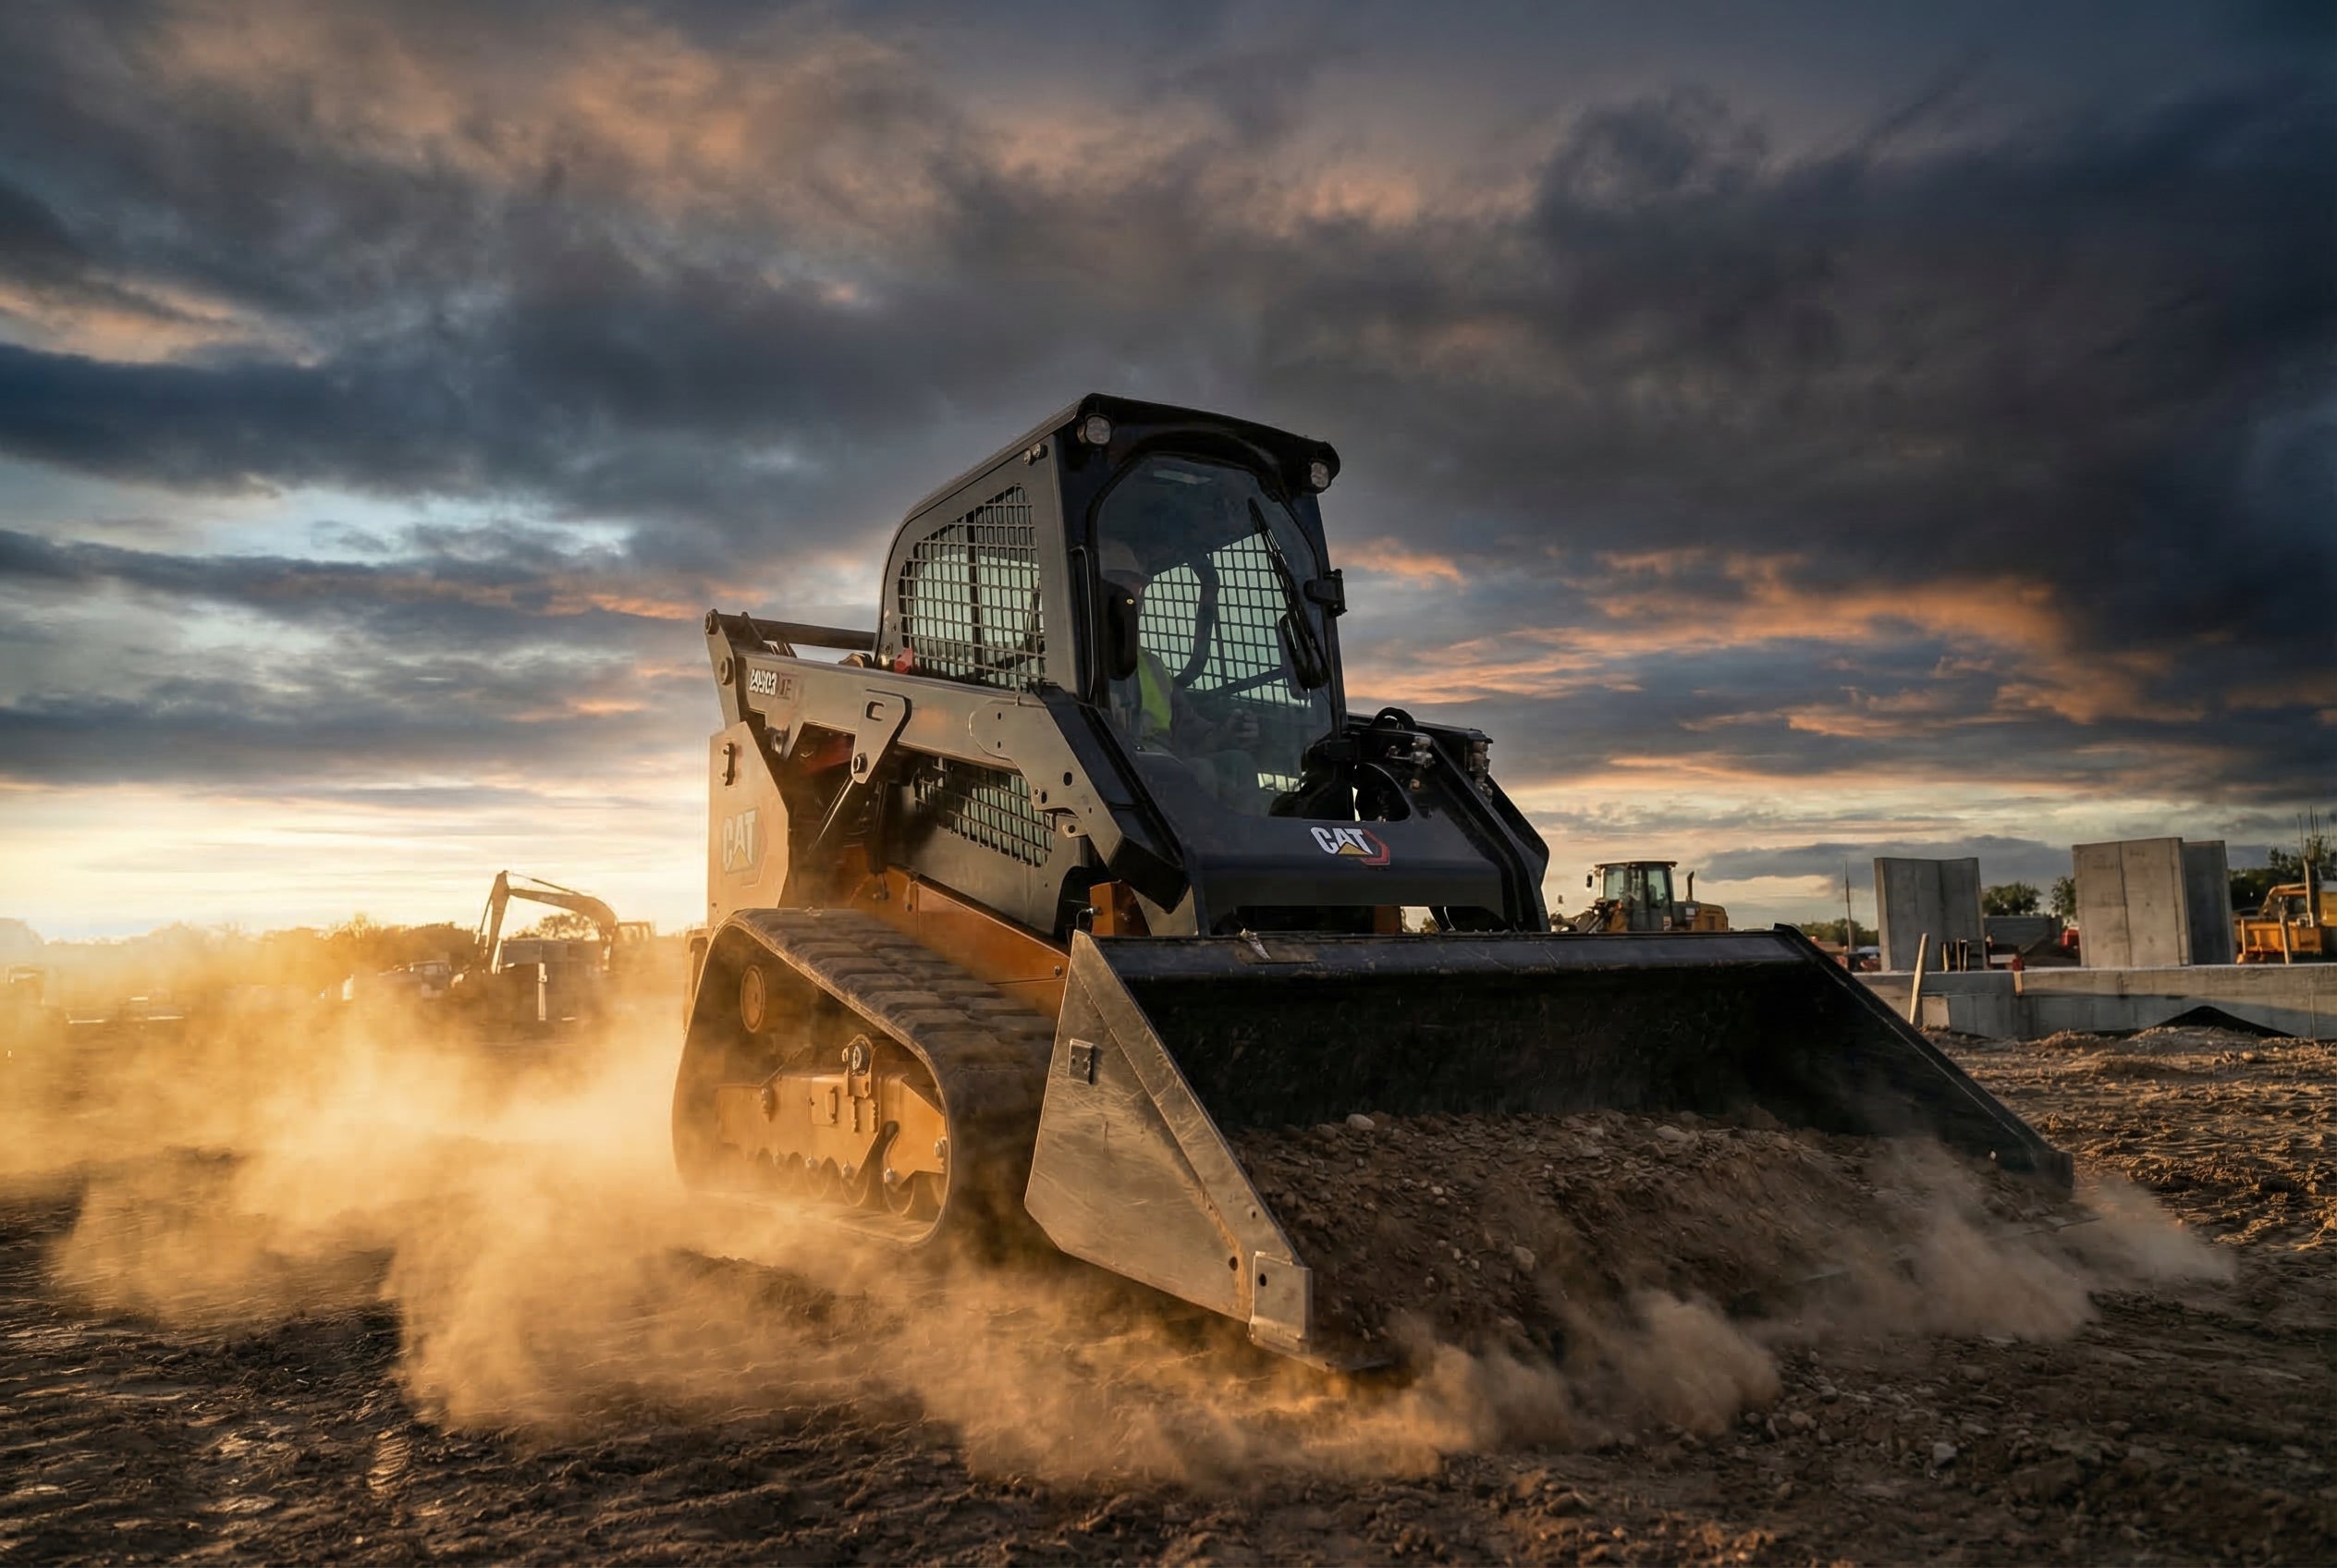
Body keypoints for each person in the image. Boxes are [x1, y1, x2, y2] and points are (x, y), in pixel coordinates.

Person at [1097, 537, 1265, 806]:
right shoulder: (1060, 663)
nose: (1133, 597)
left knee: (1236, 764)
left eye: (1137, 586)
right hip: (1113, 784)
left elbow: (1189, 733)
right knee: (1197, 773)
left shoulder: (1151, 666)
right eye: (1120, 584)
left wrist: (1227, 734)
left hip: (1163, 779)